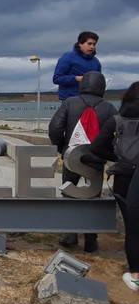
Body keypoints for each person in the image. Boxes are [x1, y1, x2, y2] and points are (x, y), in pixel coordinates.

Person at [48, 71, 117, 252]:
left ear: (83, 85)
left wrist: (62, 147)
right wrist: (108, 153)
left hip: (73, 157)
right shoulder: (109, 108)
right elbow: (118, 133)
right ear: (102, 87)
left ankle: (71, 234)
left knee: (69, 194)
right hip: (96, 159)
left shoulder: (70, 103)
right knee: (93, 197)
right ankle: (91, 240)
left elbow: (55, 127)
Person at [89, 81, 139, 292]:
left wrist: (116, 158)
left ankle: (136, 275)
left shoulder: (116, 119)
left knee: (133, 229)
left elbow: (96, 147)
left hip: (124, 177)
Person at [53, 31, 101, 100]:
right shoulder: (67, 57)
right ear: (80, 44)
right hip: (71, 100)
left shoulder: (96, 62)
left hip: (91, 101)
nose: (92, 47)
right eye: (89, 44)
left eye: (94, 44)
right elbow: (57, 78)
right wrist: (77, 78)